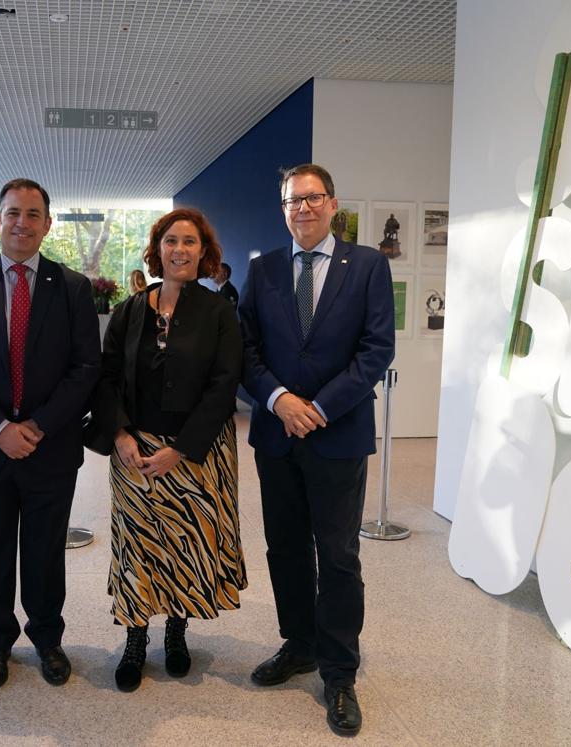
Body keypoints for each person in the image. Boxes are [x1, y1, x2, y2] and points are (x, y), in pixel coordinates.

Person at [239, 164, 394, 737]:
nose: (302, 208)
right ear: (283, 209)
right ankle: (298, 644)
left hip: (338, 434)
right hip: (277, 436)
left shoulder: (369, 266)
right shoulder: (264, 271)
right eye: (292, 201)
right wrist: (280, 400)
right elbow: (246, 349)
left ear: (333, 204)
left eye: (312, 198)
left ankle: (339, 672)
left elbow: (376, 350)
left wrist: (320, 408)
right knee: (284, 549)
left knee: (338, 555)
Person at [0, 178, 101, 690]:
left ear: (47, 224)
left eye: (33, 214)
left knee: (44, 550)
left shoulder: (73, 287)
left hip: (50, 448)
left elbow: (84, 368)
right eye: (13, 213)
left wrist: (34, 426)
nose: (22, 223)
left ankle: (48, 639)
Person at [92, 208, 245, 692]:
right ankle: (135, 639)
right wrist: (119, 435)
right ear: (157, 249)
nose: (180, 250)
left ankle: (176, 633)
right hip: (135, 451)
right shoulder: (131, 308)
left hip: (195, 454)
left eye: (190, 242)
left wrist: (180, 450)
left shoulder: (219, 312)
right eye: (171, 241)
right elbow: (107, 377)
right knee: (138, 546)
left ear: (205, 253)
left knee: (184, 544)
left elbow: (224, 387)